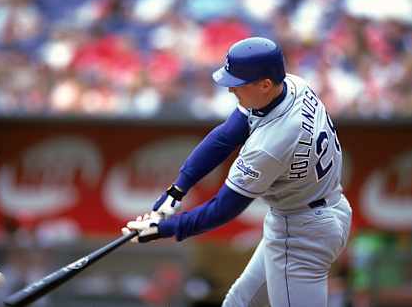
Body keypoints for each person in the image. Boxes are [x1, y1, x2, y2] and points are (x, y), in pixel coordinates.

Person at [122, 37, 352, 307]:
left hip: (302, 233)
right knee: (238, 303)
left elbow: (223, 209)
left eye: (238, 85)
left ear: (265, 84)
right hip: (316, 212)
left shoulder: (269, 145)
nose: (231, 91)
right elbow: (226, 136)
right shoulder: (292, 85)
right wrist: (177, 190)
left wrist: (164, 228)